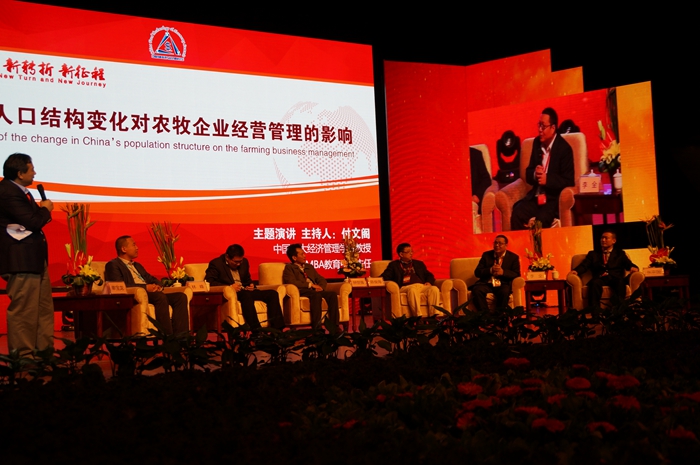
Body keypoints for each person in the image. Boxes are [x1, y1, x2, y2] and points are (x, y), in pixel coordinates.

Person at [0, 153, 54, 356]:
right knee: (24, 311)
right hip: (21, 260)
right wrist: (45, 210)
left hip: (34, 259)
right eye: (31, 169)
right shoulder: (7, 192)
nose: (35, 173)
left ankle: (44, 354)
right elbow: (33, 221)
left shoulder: (22, 192)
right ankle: (23, 356)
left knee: (43, 309)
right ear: (20, 173)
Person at [104, 235, 189, 335]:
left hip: (150, 294)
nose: (137, 248)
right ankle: (167, 337)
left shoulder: (137, 265)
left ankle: (182, 337)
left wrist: (158, 286)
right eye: (134, 245)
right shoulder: (113, 265)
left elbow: (151, 278)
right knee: (160, 297)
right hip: (135, 296)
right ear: (124, 249)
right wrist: (145, 287)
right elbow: (119, 285)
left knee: (180, 297)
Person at [511, 107, 575, 230]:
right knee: (517, 213)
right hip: (536, 198)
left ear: (553, 128)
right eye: (539, 125)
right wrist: (535, 174)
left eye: (543, 126)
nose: (540, 130)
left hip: (552, 201)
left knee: (540, 221)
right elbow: (528, 173)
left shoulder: (564, 149)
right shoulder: (536, 143)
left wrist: (548, 180)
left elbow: (568, 180)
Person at [205, 244, 285, 329]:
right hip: (232, 294)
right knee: (246, 296)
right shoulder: (216, 264)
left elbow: (247, 279)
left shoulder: (245, 262)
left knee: (272, 294)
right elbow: (210, 282)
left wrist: (251, 285)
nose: (238, 264)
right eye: (236, 262)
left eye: (240, 261)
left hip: (244, 290)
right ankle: (256, 330)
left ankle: (278, 330)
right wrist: (230, 287)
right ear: (227, 257)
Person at [571, 230, 638, 308]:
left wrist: (633, 267)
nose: (603, 240)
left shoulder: (620, 254)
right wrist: (576, 271)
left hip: (615, 278)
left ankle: (618, 310)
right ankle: (595, 311)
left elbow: (628, 263)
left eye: (606, 238)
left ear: (613, 241)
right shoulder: (593, 254)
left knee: (620, 282)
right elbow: (584, 265)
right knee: (594, 283)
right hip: (600, 278)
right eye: (602, 238)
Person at [283, 243, 339, 327]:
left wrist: (321, 287)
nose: (304, 256)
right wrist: (310, 285)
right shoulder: (289, 268)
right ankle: (317, 328)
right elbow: (291, 282)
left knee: (332, 295)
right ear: (294, 258)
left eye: (304, 253)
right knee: (316, 295)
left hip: (314, 291)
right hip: (302, 290)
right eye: (302, 254)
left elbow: (321, 279)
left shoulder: (309, 267)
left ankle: (335, 326)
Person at [380, 243, 440, 316]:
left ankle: (433, 315)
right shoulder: (394, 265)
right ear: (401, 254)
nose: (411, 253)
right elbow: (385, 276)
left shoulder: (419, 264)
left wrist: (428, 282)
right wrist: (374, 280)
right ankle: (417, 316)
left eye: (412, 251)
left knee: (434, 289)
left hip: (421, 286)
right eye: (408, 252)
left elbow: (429, 275)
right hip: (405, 287)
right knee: (412, 289)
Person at [471, 235, 521, 311]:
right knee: (477, 290)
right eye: (495, 243)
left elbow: (516, 274)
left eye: (500, 243)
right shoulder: (486, 255)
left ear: (506, 245)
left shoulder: (513, 257)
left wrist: (503, 272)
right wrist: (490, 270)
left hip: (503, 284)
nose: (497, 245)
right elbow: (477, 272)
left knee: (505, 292)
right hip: (487, 283)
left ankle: (499, 316)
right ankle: (485, 315)